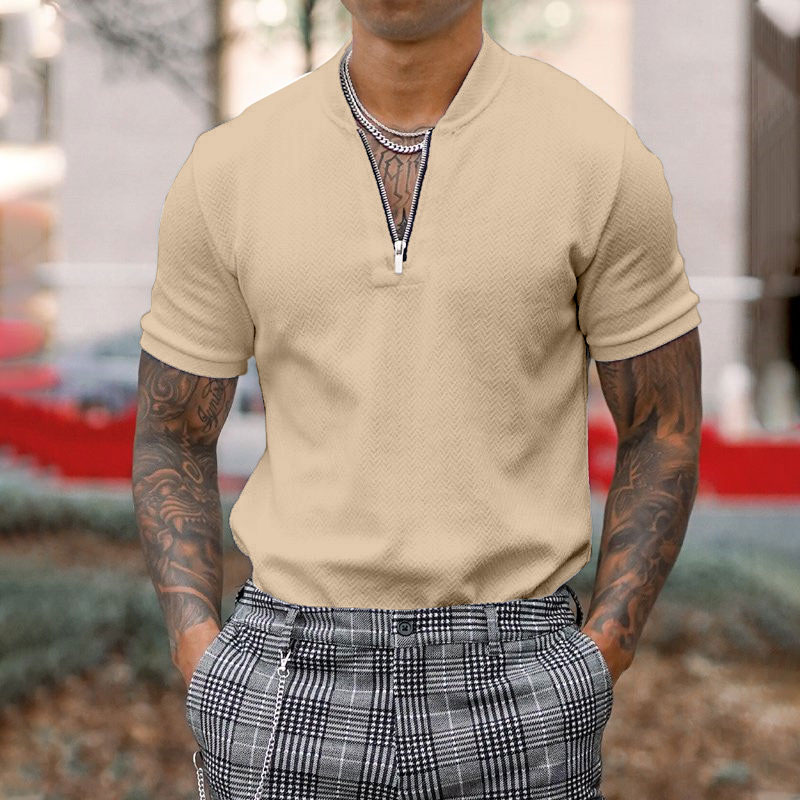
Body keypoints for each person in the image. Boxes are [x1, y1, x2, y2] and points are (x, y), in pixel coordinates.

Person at [132, 2, 702, 798]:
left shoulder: (598, 158)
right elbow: (171, 433)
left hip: (518, 673)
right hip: (285, 672)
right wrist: (199, 648)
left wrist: (605, 649)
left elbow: (663, 426)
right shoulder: (229, 168)